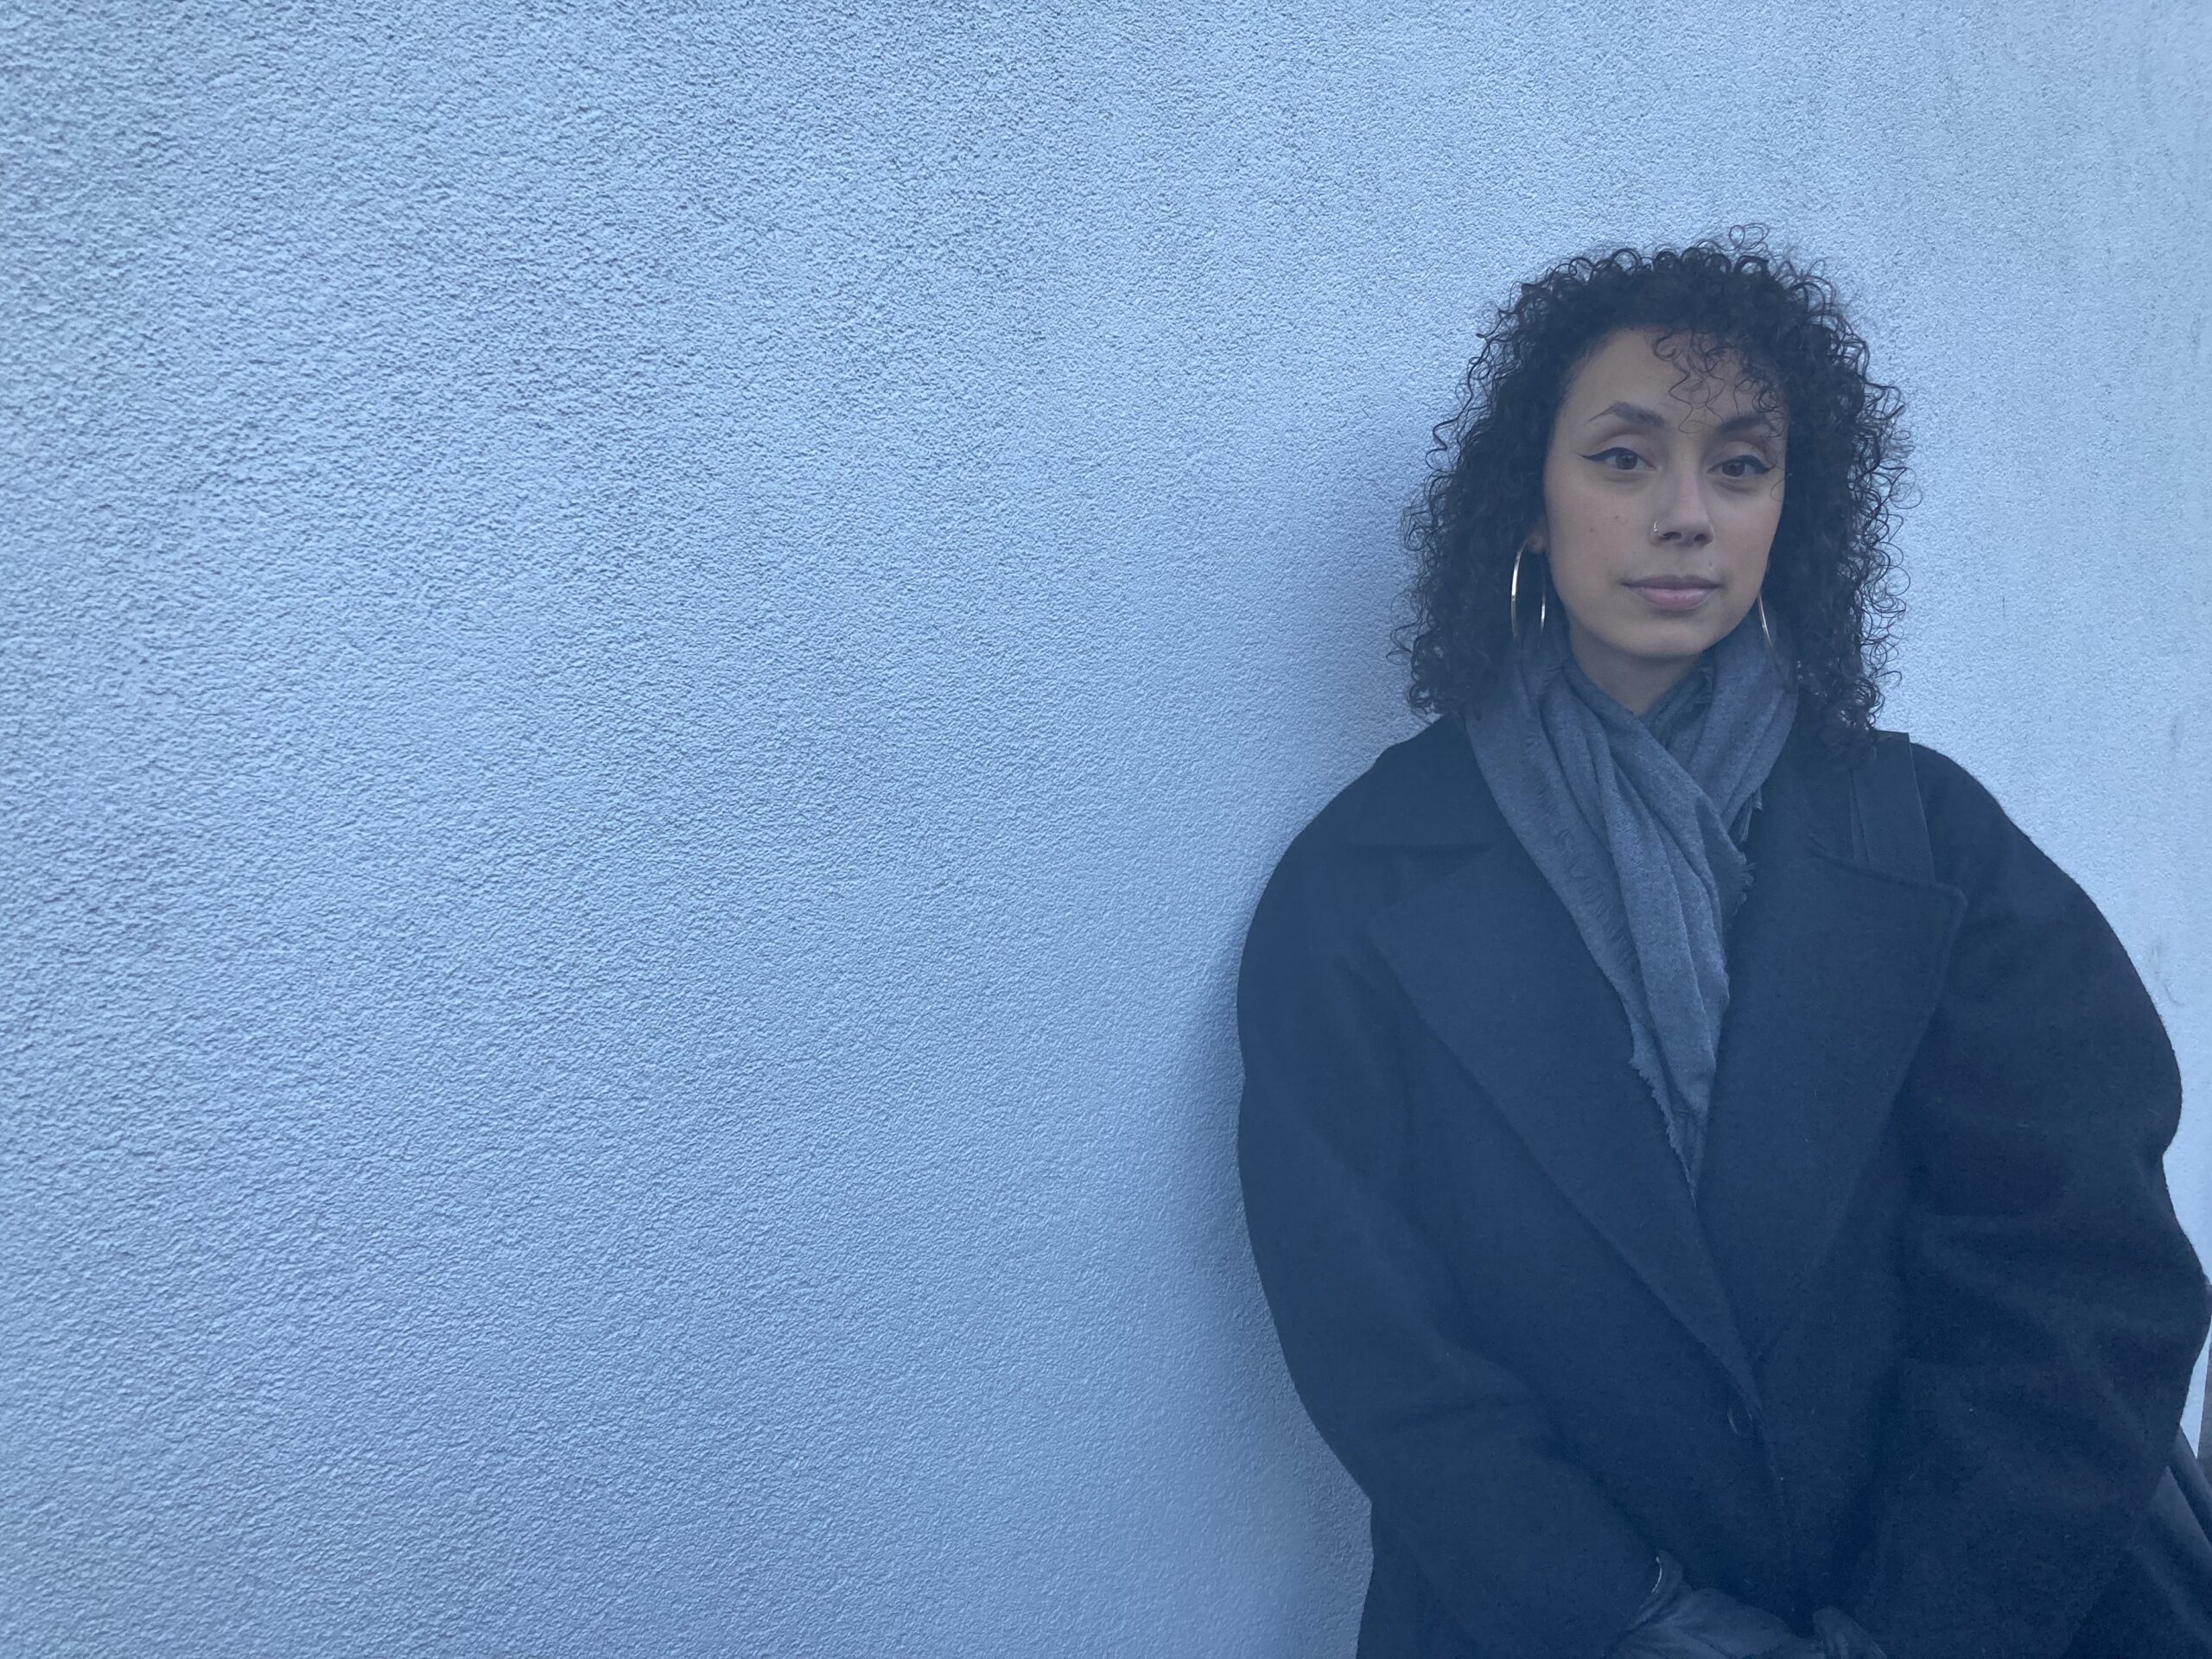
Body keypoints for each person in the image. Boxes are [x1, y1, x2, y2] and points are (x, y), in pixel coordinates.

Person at [1234, 234, 2212, 1659]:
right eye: (1625, 459)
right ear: (1529, 502)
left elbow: (2079, 1260)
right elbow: (1373, 1334)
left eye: (1741, 465)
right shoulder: (1365, 881)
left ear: (1789, 512)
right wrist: (1641, 1619)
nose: (1686, 515)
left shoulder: (1931, 842)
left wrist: (1909, 1627)